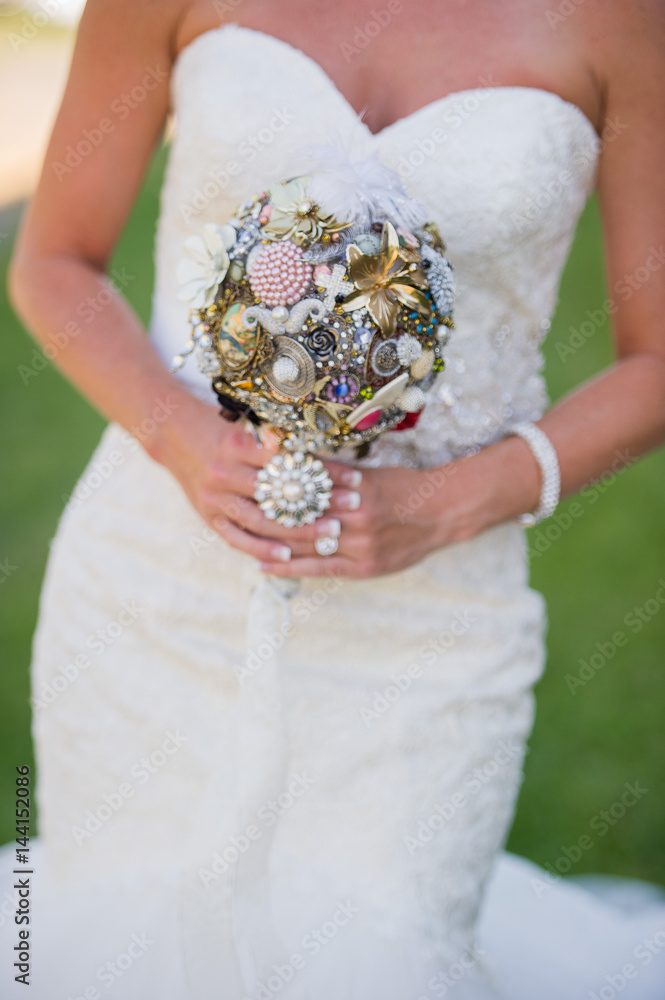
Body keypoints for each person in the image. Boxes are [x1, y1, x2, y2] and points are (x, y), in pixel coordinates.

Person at [2, 0, 665, 997]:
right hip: (155, 590)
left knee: (383, 952)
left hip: (430, 618)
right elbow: (54, 261)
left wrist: (449, 502)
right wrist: (184, 442)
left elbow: (654, 357)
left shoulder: (620, 21)